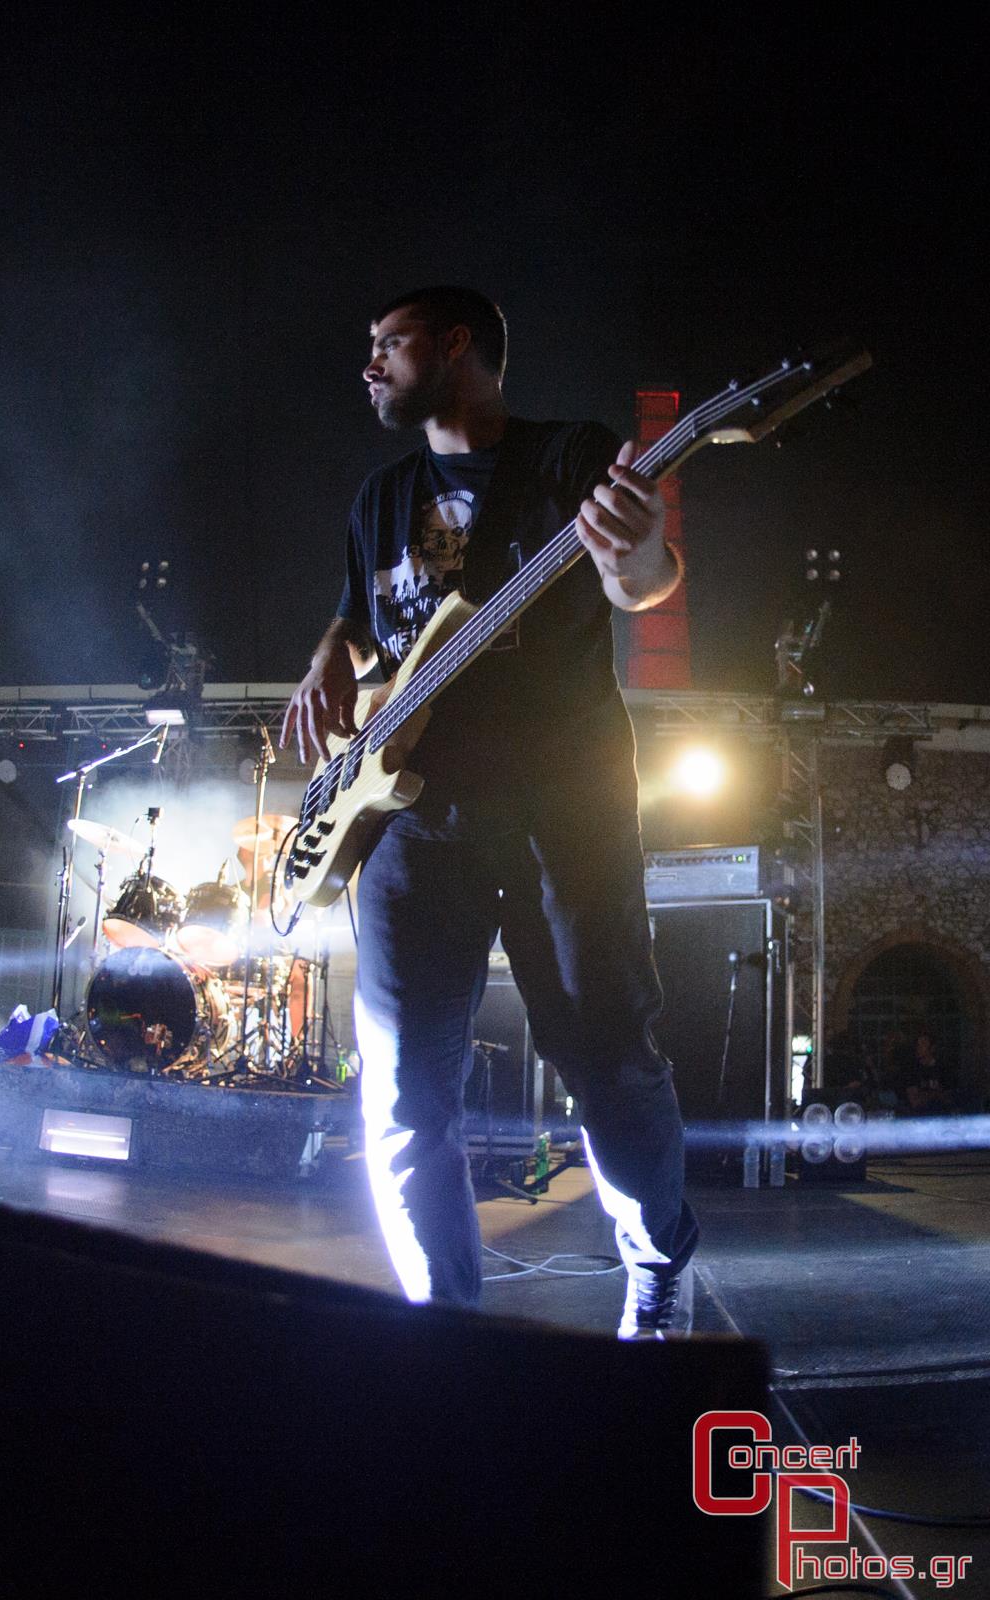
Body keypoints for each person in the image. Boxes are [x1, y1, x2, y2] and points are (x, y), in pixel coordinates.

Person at [281, 286, 700, 1339]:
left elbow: (639, 581)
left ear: (455, 344)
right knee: (402, 1096)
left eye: (389, 343)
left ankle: (657, 1264)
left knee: (609, 1060)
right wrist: (329, 653)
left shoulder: (570, 456)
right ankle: (446, 1328)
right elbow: (362, 615)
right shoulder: (381, 495)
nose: (369, 364)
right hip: (412, 825)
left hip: (562, 809)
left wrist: (637, 555)